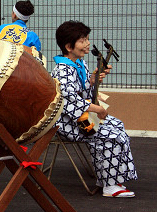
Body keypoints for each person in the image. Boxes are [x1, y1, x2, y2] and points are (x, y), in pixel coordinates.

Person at [51, 20, 137, 198]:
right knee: (112, 136)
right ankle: (110, 186)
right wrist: (97, 109)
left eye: (87, 39)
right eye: (82, 40)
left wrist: (92, 81)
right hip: (68, 123)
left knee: (117, 125)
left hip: (79, 118)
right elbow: (69, 101)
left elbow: (83, 93)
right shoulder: (62, 69)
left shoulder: (79, 64)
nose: (88, 43)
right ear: (69, 46)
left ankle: (106, 177)